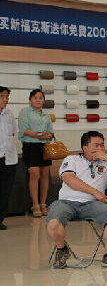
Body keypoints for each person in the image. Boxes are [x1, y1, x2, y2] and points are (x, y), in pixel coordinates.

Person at [46, 131, 107, 269]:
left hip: (92, 204)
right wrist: (96, 193)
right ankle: (62, 250)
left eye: (102, 145)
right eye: (96, 145)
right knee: (53, 222)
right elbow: (69, 179)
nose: (100, 148)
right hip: (66, 202)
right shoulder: (72, 159)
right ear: (85, 148)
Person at [18, 88, 53, 217]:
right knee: (34, 174)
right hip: (30, 146)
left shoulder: (47, 116)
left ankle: (43, 204)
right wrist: (40, 135)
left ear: (44, 100)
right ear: (30, 100)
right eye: (35, 98)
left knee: (45, 175)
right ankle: (35, 204)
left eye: (40, 98)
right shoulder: (25, 112)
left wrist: (48, 135)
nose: (38, 100)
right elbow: (24, 130)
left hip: (44, 147)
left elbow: (51, 133)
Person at [0, 86, 16, 230]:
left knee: (5, 190)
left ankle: (0, 219)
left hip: (9, 158)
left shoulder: (9, 114)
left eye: (7, 97)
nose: (6, 100)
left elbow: (13, 133)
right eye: (2, 96)